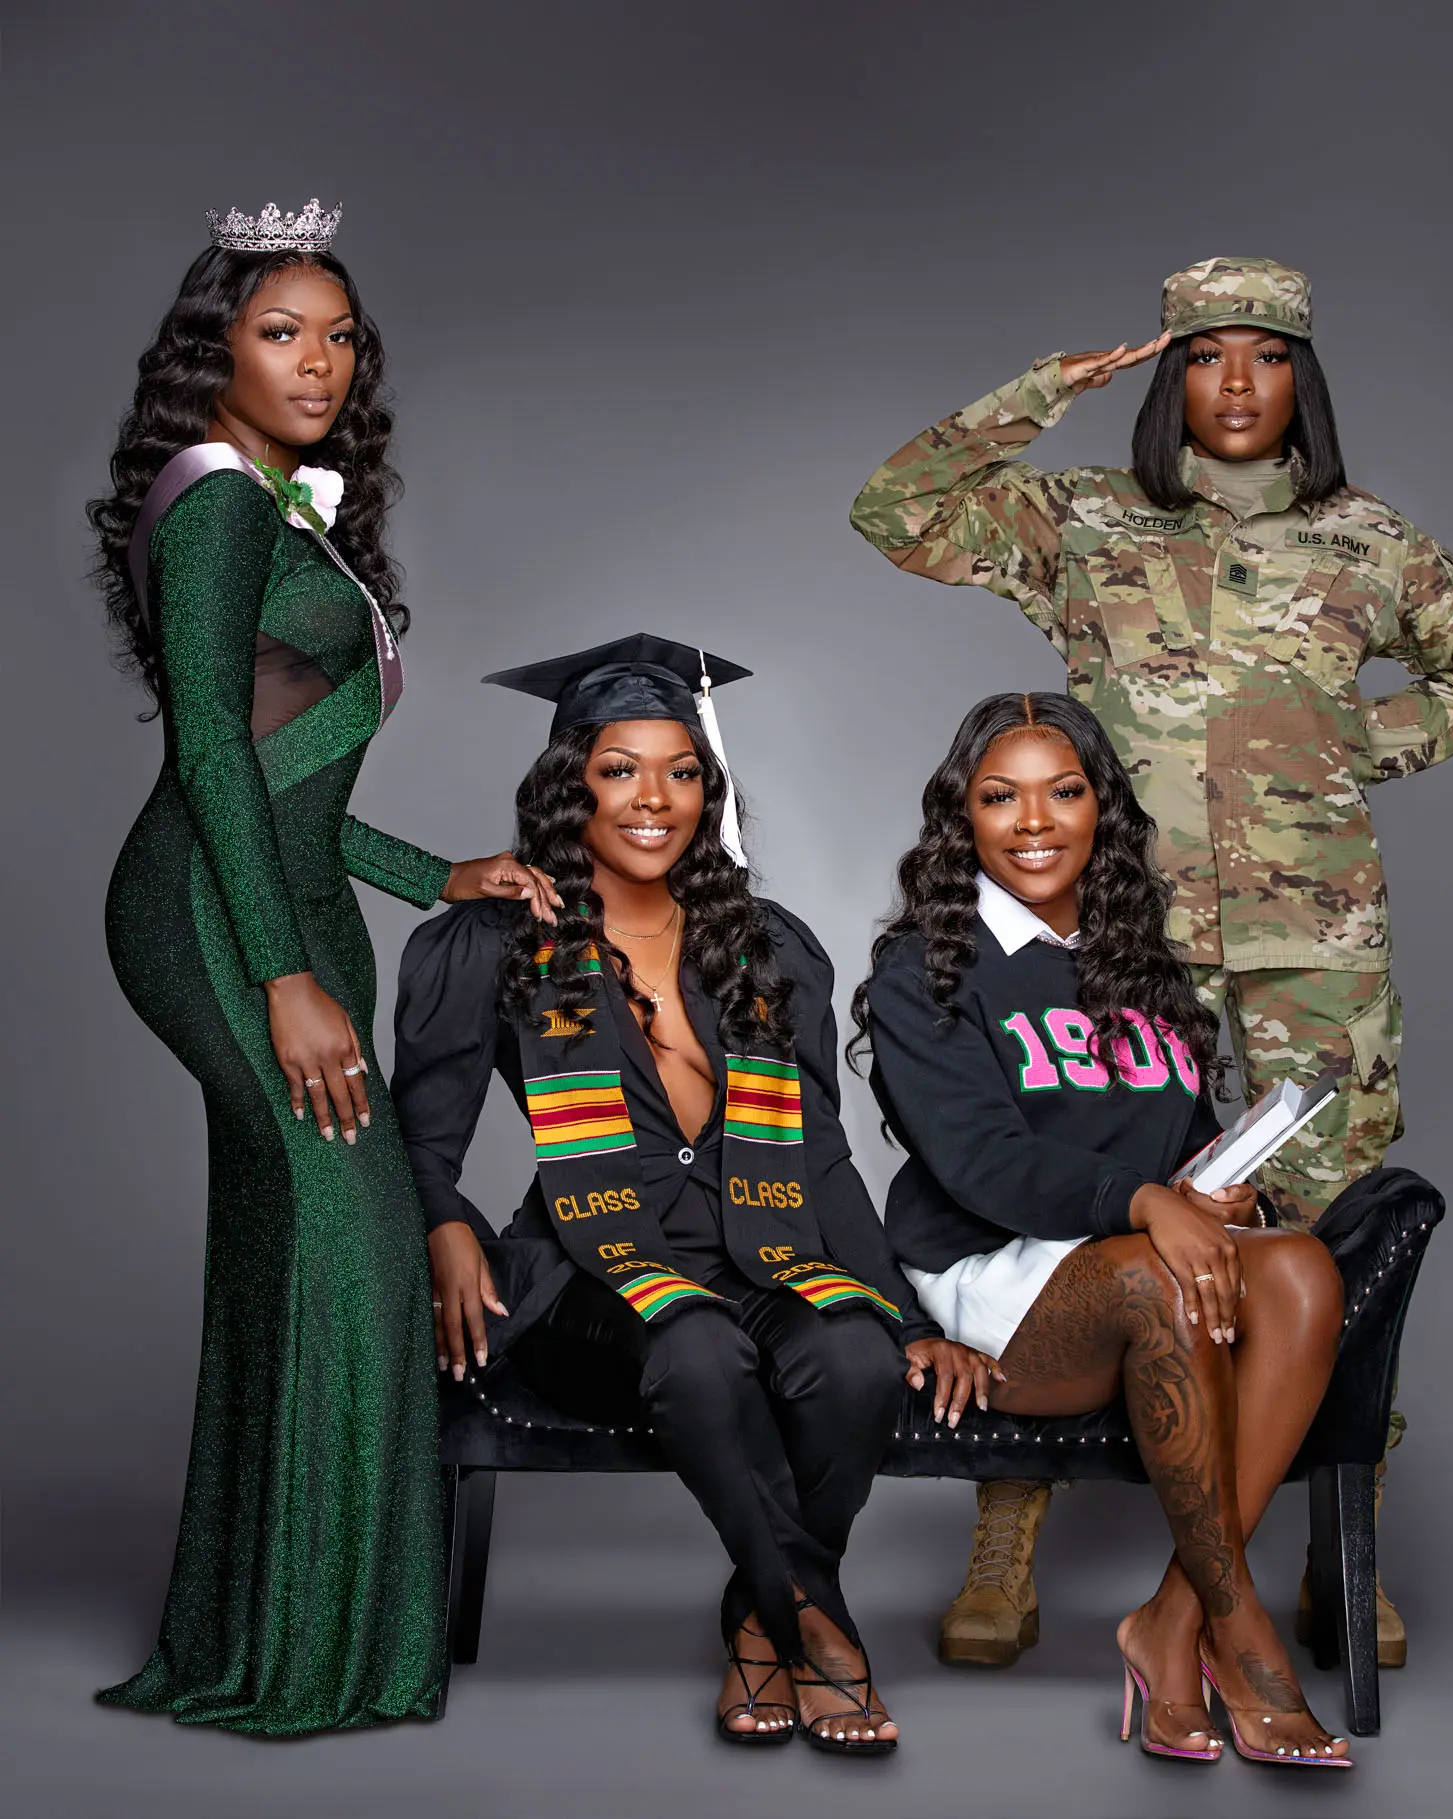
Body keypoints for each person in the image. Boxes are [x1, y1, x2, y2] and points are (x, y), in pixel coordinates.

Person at [848, 254, 1453, 1667]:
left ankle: (1340, 1537)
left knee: (1325, 1240)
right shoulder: (1083, 519)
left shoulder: (1368, 541)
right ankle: (1008, 1529)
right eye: (1205, 354)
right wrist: (1039, 392)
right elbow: (894, 510)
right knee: (1082, 1211)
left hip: (1308, 948)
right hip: (1118, 936)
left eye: (1266, 355)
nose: (1235, 382)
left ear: (1302, 378)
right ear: (1168, 378)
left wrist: (1344, 752)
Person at [89, 200, 556, 1735]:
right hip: (220, 918)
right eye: (281, 331)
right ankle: (313, 1647)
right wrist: (283, 976)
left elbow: (295, 782)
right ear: (211, 348)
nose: (320, 362)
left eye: (341, 336)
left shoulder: (284, 509)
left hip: (286, 898)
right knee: (357, 1248)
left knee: (293, 1247)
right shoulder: (219, 508)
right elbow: (215, 758)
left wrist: (440, 875)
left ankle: (267, 1622)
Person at [391, 635, 990, 1754]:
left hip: (759, 1251)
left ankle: (761, 1626)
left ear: (706, 790)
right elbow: (418, 1140)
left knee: (856, 1357)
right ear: (569, 784)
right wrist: (444, 1225)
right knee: (700, 1347)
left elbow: (818, 1154)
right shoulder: (496, 943)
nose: (653, 798)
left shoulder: (763, 948)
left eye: (680, 771)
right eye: (618, 769)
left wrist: (903, 1315)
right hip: (590, 1271)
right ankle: (818, 1628)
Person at [852, 691, 1351, 1768]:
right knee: (1155, 1274)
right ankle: (1240, 1635)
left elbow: (1182, 1138)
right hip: (994, 1278)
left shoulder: (1138, 963)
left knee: (1301, 1269)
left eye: (1063, 791)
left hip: (1132, 1254)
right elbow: (981, 1163)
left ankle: (1171, 1618)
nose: (1033, 822)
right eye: (1000, 796)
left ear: (1100, 810)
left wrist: (1215, 1189)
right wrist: (1146, 1203)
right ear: (963, 817)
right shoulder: (927, 966)